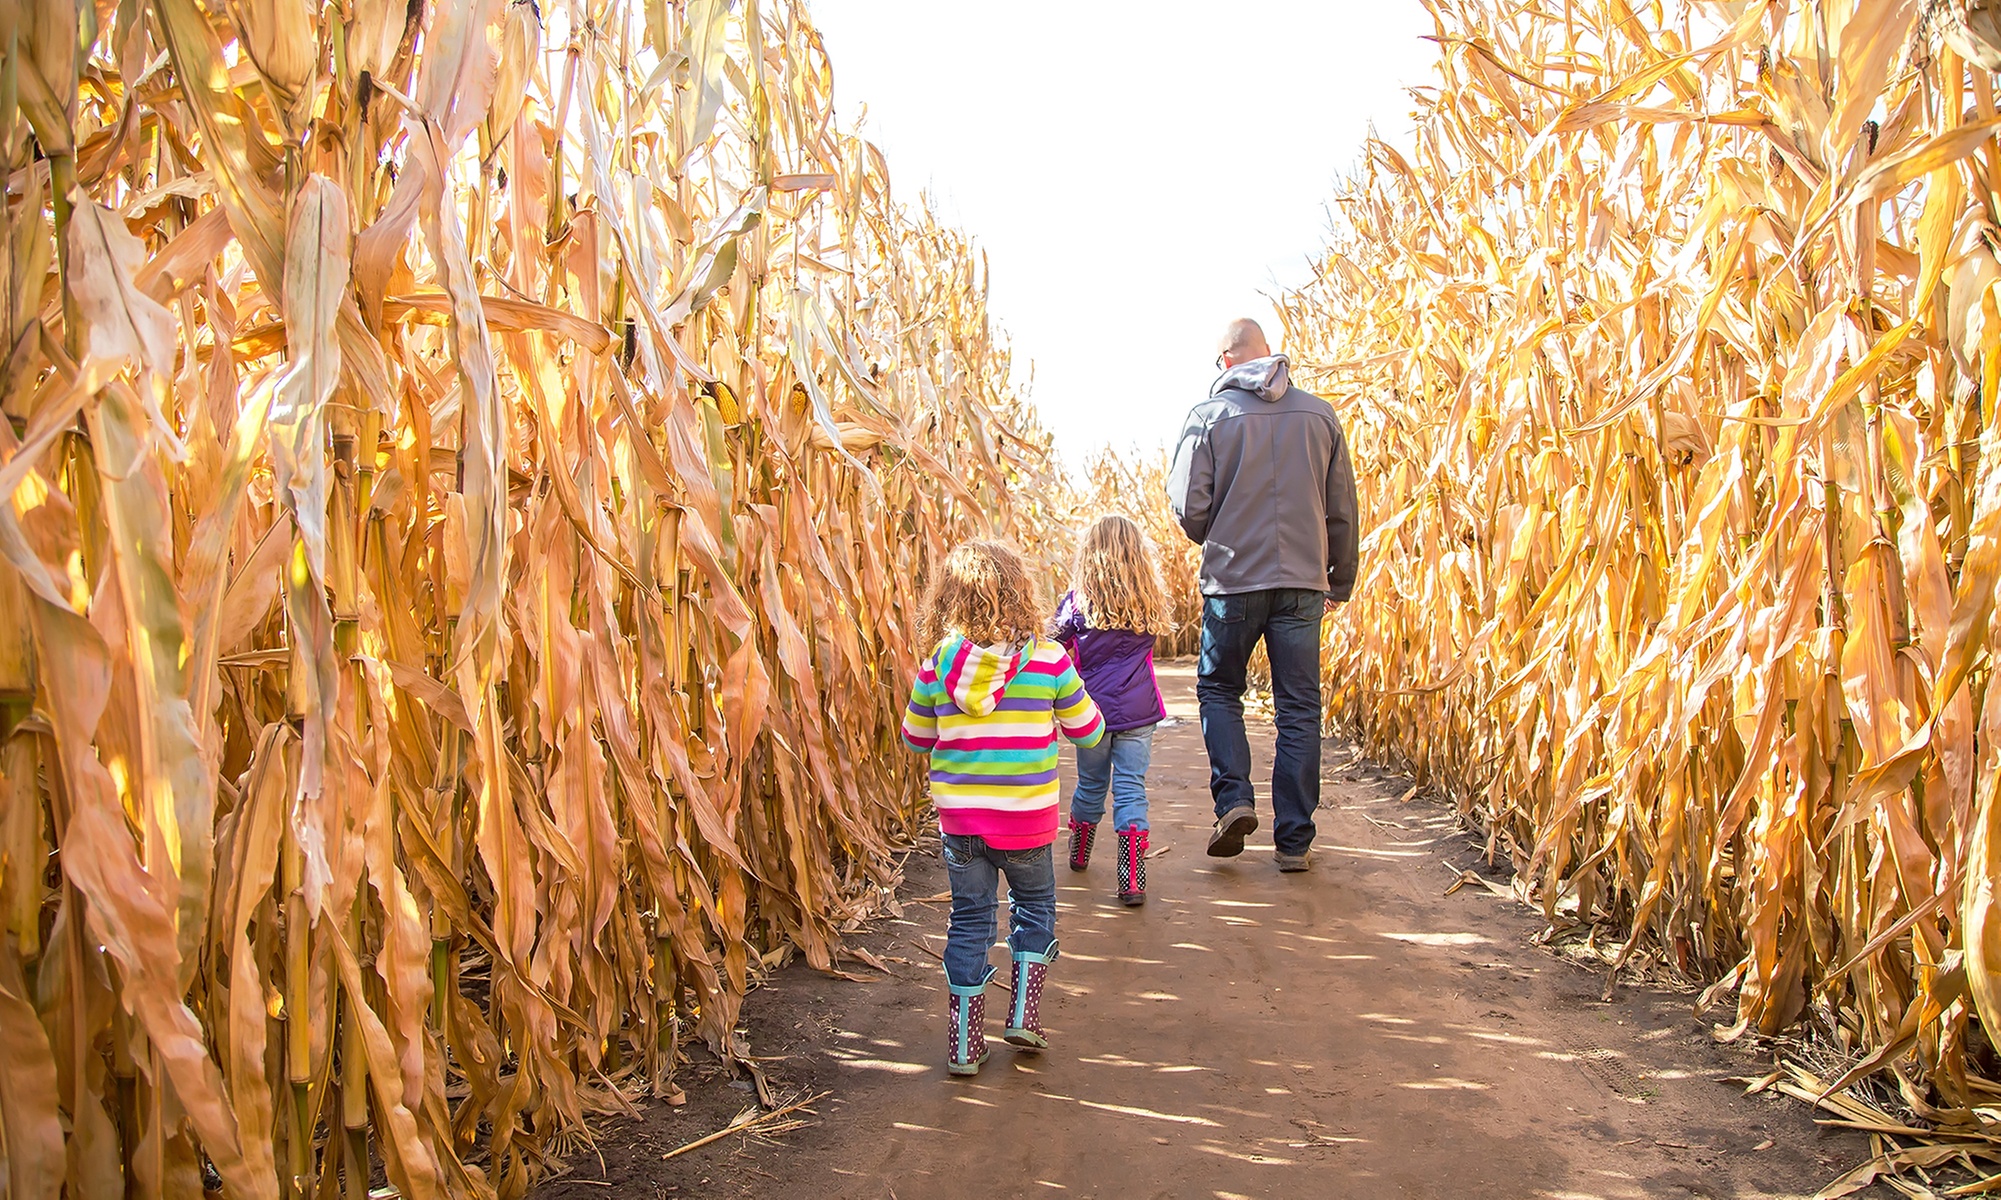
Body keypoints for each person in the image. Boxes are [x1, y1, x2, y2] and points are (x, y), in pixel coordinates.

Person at [900, 541, 1106, 1076]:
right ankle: (1023, 1015)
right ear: (1021, 591)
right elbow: (1089, 732)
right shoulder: (1049, 660)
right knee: (1034, 908)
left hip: (962, 824)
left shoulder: (937, 665)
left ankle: (964, 1047)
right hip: (1026, 822)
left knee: (970, 920)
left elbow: (914, 738)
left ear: (948, 598)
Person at [1165, 318, 1359, 873]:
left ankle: (1235, 801)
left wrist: (1219, 531)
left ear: (1226, 361)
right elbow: (1342, 507)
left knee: (1219, 688)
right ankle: (1294, 842)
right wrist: (1339, 579)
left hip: (1233, 580)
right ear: (1270, 353)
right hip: (1301, 583)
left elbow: (1189, 508)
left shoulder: (1208, 417)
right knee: (1298, 707)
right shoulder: (1320, 415)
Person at [1049, 514, 1171, 906]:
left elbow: (1053, 641)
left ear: (1090, 554)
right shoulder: (1147, 597)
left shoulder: (1077, 601)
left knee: (1091, 783)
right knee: (1131, 787)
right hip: (1139, 710)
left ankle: (1080, 852)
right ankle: (1131, 879)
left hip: (1092, 712)